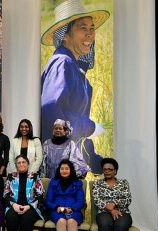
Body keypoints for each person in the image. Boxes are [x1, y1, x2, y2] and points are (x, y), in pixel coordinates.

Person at [41, 0, 110, 174]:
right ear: (65, 35)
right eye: (82, 28)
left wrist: (94, 160)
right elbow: (50, 109)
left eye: (92, 28)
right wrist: (89, 127)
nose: (89, 34)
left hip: (68, 165)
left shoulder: (74, 66)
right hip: (57, 166)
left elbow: (72, 122)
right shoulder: (63, 63)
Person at [4, 155, 45, 231]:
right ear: (16, 165)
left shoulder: (35, 177)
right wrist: (14, 205)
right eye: (19, 163)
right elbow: (6, 195)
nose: (21, 164)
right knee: (11, 217)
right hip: (14, 205)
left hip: (31, 207)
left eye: (23, 162)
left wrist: (29, 206)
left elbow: (40, 196)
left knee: (26, 219)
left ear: (28, 164)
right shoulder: (11, 177)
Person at [93, 158, 132, 231]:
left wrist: (114, 204)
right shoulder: (98, 184)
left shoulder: (123, 183)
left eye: (110, 169)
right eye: (105, 169)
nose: (107, 172)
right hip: (104, 212)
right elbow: (97, 199)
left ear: (115, 171)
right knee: (104, 225)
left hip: (122, 212)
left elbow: (128, 199)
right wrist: (110, 209)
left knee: (121, 226)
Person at [46, 159, 85, 231]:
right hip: (57, 210)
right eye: (62, 169)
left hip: (74, 210)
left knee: (72, 221)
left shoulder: (77, 183)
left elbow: (81, 201)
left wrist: (72, 208)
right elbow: (48, 200)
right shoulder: (53, 182)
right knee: (62, 221)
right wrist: (57, 207)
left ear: (71, 170)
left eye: (66, 169)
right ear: (59, 170)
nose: (64, 171)